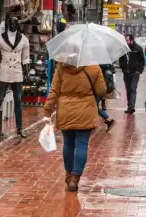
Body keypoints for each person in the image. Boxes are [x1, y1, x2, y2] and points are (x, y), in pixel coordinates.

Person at [43, 58, 106, 192]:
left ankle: (68, 174)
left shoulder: (62, 66)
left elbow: (54, 90)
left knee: (68, 144)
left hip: (66, 110)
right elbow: (101, 90)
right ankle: (75, 179)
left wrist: (47, 111)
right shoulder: (94, 67)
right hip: (86, 110)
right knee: (81, 145)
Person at [119, 34, 145, 114]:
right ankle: (129, 105)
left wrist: (139, 70)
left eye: (127, 40)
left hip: (135, 73)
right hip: (126, 72)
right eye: (125, 40)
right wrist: (123, 68)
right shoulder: (123, 49)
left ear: (132, 40)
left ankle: (131, 106)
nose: (126, 42)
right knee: (128, 89)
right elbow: (120, 59)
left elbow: (142, 60)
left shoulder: (138, 48)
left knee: (133, 88)